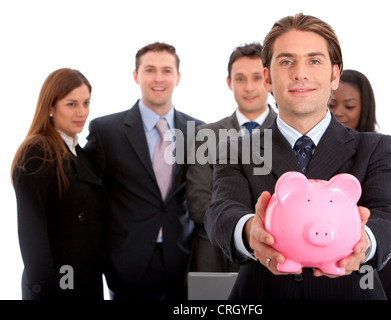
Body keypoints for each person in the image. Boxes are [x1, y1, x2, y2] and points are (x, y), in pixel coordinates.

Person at [204, 13, 391, 299]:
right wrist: (251, 229)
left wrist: (364, 240)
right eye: (286, 61)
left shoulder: (376, 148)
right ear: (267, 78)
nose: (300, 73)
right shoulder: (237, 150)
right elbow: (221, 211)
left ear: (334, 75)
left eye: (314, 61)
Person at [84, 42, 204, 300]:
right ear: (136, 75)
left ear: (178, 77)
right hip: (125, 263)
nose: (158, 78)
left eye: (166, 70)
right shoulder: (106, 131)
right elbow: (86, 198)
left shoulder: (199, 131)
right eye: (150, 70)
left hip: (181, 260)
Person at [11, 68, 105, 300]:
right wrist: (45, 288)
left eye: (86, 103)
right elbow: (32, 231)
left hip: (84, 278)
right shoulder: (37, 152)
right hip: (58, 285)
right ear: (50, 107)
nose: (82, 112)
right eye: (71, 104)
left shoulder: (76, 152)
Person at [186, 43, 276, 272]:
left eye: (257, 78)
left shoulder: (290, 134)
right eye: (240, 79)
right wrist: (244, 229)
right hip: (216, 255)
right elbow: (198, 203)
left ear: (268, 80)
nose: (249, 87)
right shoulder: (206, 135)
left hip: (275, 252)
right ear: (229, 82)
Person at [329, 69, 391, 299]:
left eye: (349, 106)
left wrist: (384, 243)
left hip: (375, 272)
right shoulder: (317, 150)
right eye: (332, 105)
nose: (339, 113)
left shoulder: (382, 149)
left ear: (364, 107)